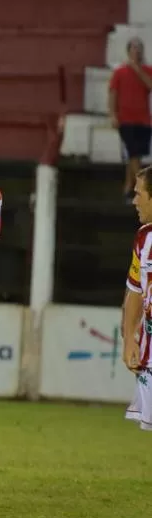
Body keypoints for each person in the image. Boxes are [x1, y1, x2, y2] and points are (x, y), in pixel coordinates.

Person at [123, 167, 152, 434]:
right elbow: (134, 292)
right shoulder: (144, 239)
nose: (134, 201)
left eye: (138, 194)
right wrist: (130, 338)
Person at [108, 38, 152, 202]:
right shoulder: (119, 72)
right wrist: (112, 114)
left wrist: (137, 69)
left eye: (139, 48)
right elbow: (113, 94)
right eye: (134, 48)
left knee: (136, 155)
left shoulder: (148, 70)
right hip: (125, 119)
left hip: (144, 120)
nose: (137, 51)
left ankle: (128, 188)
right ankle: (144, 189)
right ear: (128, 51)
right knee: (133, 151)